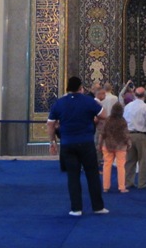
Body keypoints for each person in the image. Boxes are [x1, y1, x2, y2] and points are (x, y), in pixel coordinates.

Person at [47, 76, 108, 216]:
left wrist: (52, 142)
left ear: (67, 88)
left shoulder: (59, 103)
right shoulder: (89, 101)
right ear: (81, 88)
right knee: (92, 175)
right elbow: (104, 115)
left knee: (73, 177)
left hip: (68, 144)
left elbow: (50, 124)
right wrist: (93, 118)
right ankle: (98, 207)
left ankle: (76, 209)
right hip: (86, 143)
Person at [123, 86, 146, 189]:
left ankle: (128, 182)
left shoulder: (128, 106)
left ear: (134, 94)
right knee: (143, 160)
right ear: (145, 96)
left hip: (129, 135)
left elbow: (124, 122)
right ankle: (142, 183)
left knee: (129, 160)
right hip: (142, 136)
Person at [99, 102, 130, 193]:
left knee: (107, 166)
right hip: (120, 145)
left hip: (108, 145)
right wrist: (128, 143)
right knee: (121, 166)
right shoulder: (122, 121)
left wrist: (99, 144)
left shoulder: (107, 120)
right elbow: (125, 134)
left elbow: (102, 133)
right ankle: (122, 187)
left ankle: (105, 187)